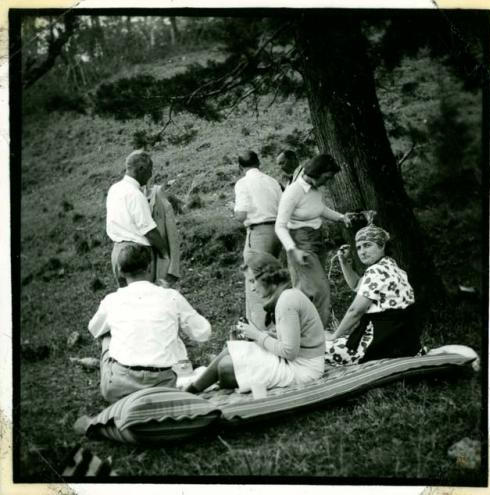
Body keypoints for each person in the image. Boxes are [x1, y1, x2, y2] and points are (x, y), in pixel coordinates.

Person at [185, 251, 325, 394]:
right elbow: (296, 338)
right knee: (233, 349)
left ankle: (195, 389)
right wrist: (265, 335)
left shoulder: (286, 301)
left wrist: (258, 335)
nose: (252, 288)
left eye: (252, 281)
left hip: (304, 370)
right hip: (301, 362)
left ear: (267, 277)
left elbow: (289, 352)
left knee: (226, 366)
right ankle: (194, 389)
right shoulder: (288, 295)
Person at [87, 243, 211, 403]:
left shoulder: (112, 300)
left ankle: (119, 385)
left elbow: (94, 329)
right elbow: (204, 332)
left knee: (106, 335)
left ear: (120, 271)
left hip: (119, 387)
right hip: (163, 385)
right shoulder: (171, 296)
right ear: (150, 268)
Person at [275, 153, 352, 328]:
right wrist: (293, 249)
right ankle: (317, 333)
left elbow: (319, 208)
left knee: (305, 292)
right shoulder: (294, 191)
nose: (328, 181)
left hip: (317, 240)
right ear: (318, 172)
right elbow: (280, 225)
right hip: (300, 243)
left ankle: (299, 332)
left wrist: (341, 217)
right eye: (327, 177)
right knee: (321, 290)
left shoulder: (315, 190)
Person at [327, 224, 421, 365]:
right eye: (359, 247)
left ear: (381, 245)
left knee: (318, 348)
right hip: (406, 343)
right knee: (330, 341)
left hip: (381, 343)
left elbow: (355, 311)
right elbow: (356, 285)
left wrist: (334, 335)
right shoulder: (394, 268)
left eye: (367, 245)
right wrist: (344, 262)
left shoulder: (375, 271)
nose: (362, 252)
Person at [234, 150, 282, 329]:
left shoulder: (243, 183)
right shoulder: (272, 181)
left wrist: (234, 208)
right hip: (277, 231)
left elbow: (241, 215)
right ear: (259, 163)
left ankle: (259, 328)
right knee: (273, 278)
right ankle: (275, 324)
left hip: (258, 231)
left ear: (240, 167)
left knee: (255, 279)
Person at [106, 149, 169, 287]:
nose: (150, 175)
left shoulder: (114, 189)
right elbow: (148, 229)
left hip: (118, 253)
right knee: (145, 299)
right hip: (137, 255)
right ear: (141, 169)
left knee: (128, 301)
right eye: (149, 170)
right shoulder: (134, 194)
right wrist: (165, 252)